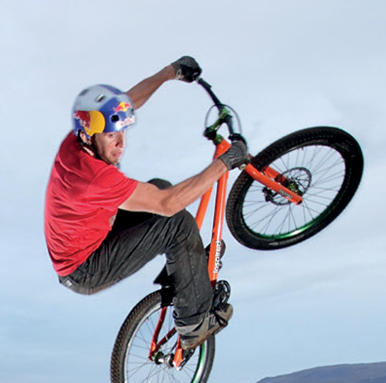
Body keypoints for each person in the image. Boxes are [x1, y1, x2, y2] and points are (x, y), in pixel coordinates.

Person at [44, 56, 250, 351]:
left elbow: (129, 101)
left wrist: (171, 72)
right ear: (90, 136)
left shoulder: (79, 137)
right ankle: (193, 325)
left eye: (122, 131)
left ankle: (186, 273)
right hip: (85, 269)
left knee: (160, 188)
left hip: (92, 235)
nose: (121, 144)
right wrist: (225, 162)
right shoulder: (94, 177)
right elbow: (167, 205)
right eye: (112, 136)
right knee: (175, 220)